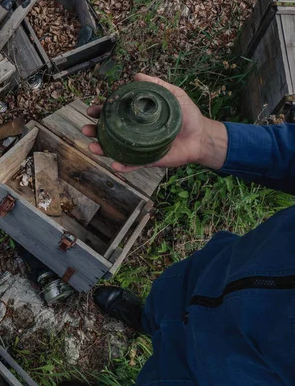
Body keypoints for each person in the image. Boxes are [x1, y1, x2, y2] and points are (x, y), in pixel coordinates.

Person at [85, 74, 295, 385]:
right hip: (228, 270)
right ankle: (147, 319)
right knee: (170, 297)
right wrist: (206, 139)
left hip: (215, 376)